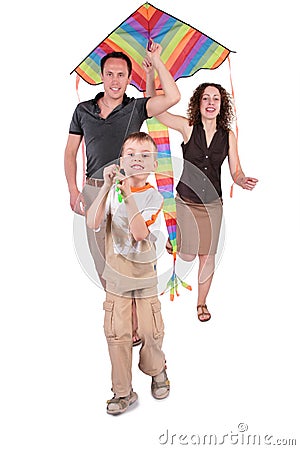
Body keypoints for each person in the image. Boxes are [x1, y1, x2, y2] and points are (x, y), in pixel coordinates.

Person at [64, 42, 180, 345]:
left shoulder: (136, 108)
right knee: (102, 262)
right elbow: (70, 153)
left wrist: (156, 60)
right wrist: (74, 190)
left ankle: (136, 323)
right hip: (93, 193)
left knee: (133, 260)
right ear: (102, 76)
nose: (115, 80)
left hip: (128, 193)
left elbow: (173, 96)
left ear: (129, 78)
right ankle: (122, 317)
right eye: (110, 74)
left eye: (121, 75)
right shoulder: (82, 110)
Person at [145, 75, 258, 322]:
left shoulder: (228, 135)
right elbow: (157, 113)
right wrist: (151, 76)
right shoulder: (188, 127)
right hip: (186, 201)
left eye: (215, 98)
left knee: (207, 255)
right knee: (186, 255)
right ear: (198, 103)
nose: (210, 102)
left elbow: (236, 170)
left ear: (221, 105)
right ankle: (177, 242)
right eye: (205, 97)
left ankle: (201, 303)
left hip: (213, 205)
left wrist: (241, 180)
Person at [86, 132, 170, 415]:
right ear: (122, 159)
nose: (137, 159)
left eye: (145, 155)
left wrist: (126, 193)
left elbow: (139, 233)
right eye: (131, 154)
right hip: (117, 276)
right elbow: (93, 222)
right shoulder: (112, 191)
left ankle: (156, 369)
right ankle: (122, 392)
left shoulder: (154, 196)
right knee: (117, 333)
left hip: (144, 275)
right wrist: (106, 188)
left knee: (150, 330)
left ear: (154, 165)